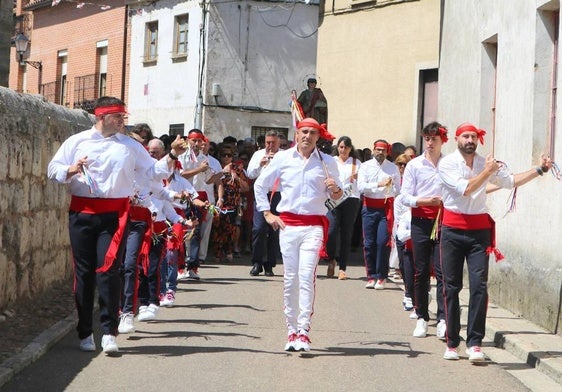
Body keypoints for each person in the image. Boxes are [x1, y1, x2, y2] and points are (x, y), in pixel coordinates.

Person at [47, 96, 187, 355]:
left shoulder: (130, 146)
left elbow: (153, 172)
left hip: (114, 215)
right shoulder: (76, 142)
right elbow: (52, 169)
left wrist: (172, 156)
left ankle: (109, 331)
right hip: (81, 212)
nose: (123, 121)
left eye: (124, 117)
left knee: (109, 271)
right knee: (84, 273)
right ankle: (85, 331)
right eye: (118, 117)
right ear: (101, 117)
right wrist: (71, 169)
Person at [438, 122, 551, 362]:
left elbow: (510, 181)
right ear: (457, 139)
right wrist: (487, 172)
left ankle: (475, 343)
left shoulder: (484, 163)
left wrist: (538, 170)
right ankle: (451, 342)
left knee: (479, 286)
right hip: (452, 231)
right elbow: (466, 189)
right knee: (452, 287)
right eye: (465, 136)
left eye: (473, 137)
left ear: (478, 140)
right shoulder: (447, 163)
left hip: (479, 232)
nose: (470, 140)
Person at [254, 118, 342, 352]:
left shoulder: (327, 162)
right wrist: (267, 214)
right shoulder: (283, 158)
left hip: (314, 226)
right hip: (288, 226)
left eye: (313, 133)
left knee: (306, 277)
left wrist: (335, 189)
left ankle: (304, 331)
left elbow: (338, 196)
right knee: (290, 279)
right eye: (304, 131)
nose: (308, 136)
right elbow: (260, 185)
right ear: (296, 133)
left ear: (318, 136)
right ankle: (291, 330)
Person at [400, 122, 448, 340]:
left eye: (434, 139)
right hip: (420, 220)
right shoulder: (414, 165)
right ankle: (421, 316)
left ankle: (443, 319)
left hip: (443, 220)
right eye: (426, 139)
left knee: (442, 271)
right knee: (420, 270)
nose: (429, 143)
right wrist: (425, 201)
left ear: (442, 141)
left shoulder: (449, 164)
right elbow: (405, 196)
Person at [357, 140, 401, 289]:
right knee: (369, 243)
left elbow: (398, 189)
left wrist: (390, 186)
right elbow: (361, 187)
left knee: (382, 242)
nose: (380, 153)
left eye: (383, 150)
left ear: (387, 152)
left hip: (385, 208)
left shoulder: (392, 167)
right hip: (369, 207)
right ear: (373, 150)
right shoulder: (365, 166)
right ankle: (371, 276)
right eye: (378, 150)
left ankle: (381, 276)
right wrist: (378, 185)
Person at [325, 136, 362, 280]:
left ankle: (343, 267)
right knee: (332, 231)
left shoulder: (357, 163)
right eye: (341, 147)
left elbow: (363, 180)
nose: (343, 150)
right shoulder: (331, 161)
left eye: (346, 147)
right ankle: (331, 259)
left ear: (350, 149)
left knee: (346, 233)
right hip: (333, 199)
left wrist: (359, 176)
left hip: (351, 198)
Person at [247, 130, 282, 276]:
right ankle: (257, 262)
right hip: (261, 194)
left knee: (274, 230)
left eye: (273, 143)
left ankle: (269, 264)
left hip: (278, 195)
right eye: (268, 142)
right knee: (258, 229)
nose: (270, 145)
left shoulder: (284, 155)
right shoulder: (258, 154)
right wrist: (260, 165)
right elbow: (250, 174)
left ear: (278, 142)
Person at [213, 145, 250, 262]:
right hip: (218, 202)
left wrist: (237, 178)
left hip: (232, 203)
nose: (226, 157)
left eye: (229, 155)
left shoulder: (237, 169)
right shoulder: (216, 167)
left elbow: (246, 188)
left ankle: (229, 251)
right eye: (224, 155)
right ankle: (218, 253)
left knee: (231, 229)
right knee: (217, 227)